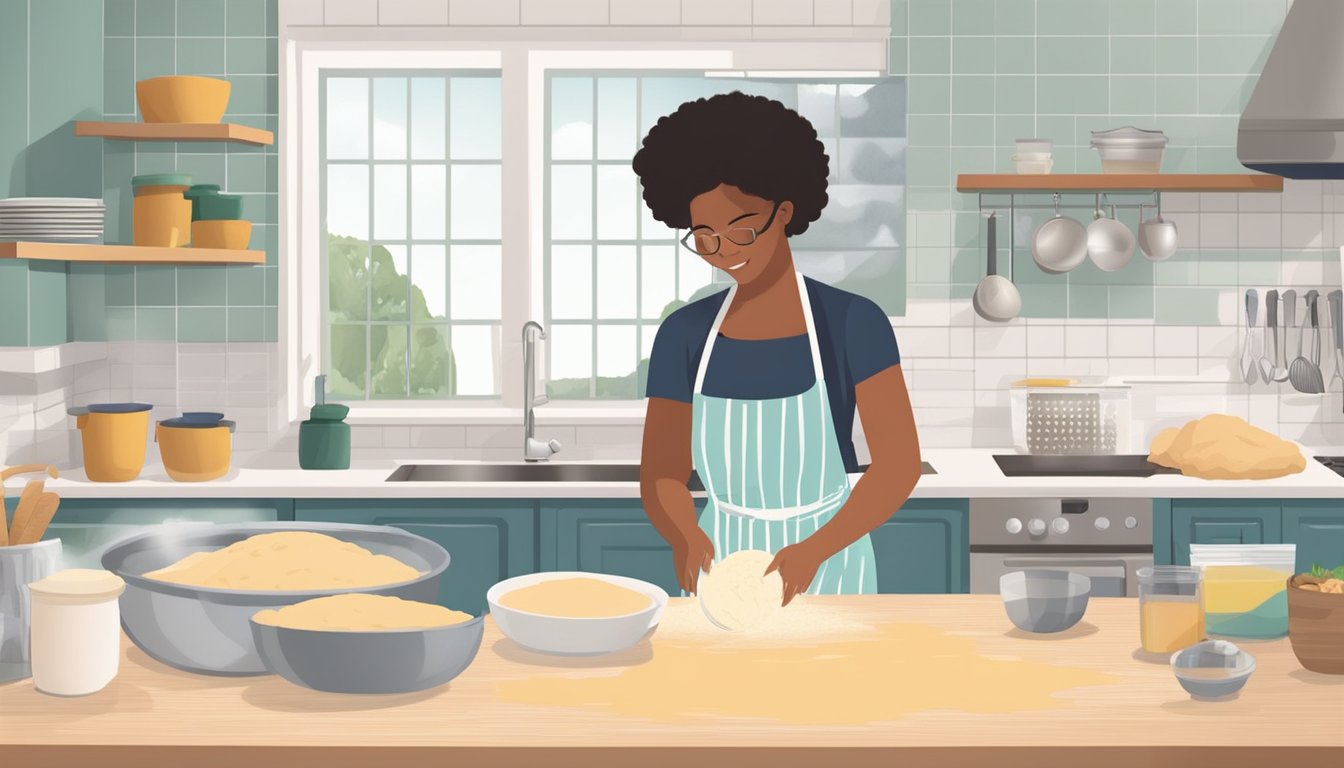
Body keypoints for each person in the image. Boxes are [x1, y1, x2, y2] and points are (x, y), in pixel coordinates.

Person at [634, 91, 923, 604]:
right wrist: (684, 533)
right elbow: (662, 473)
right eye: (705, 237)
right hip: (720, 568)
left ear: (784, 210)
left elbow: (899, 465)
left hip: (830, 563)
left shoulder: (853, 323)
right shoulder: (683, 335)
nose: (725, 253)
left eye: (742, 229)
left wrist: (816, 548)